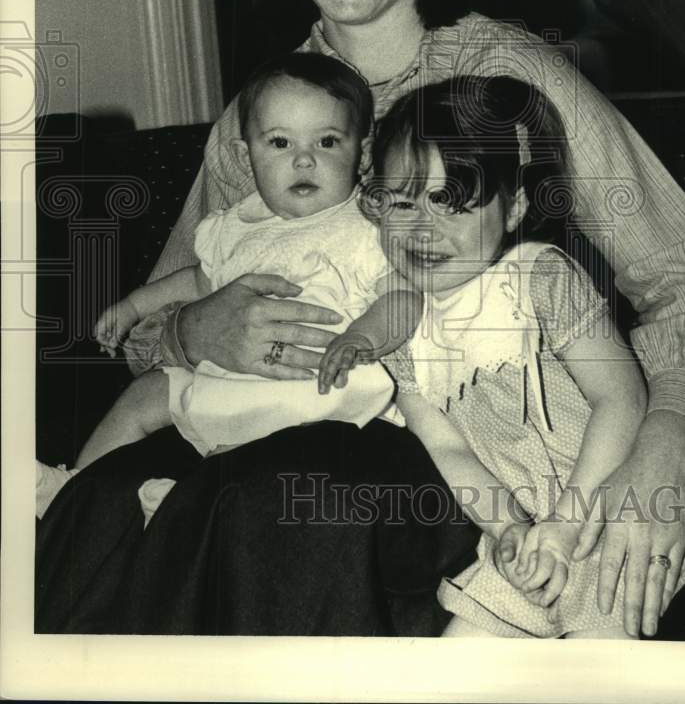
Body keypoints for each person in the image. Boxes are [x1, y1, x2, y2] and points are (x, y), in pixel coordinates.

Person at [35, 0, 685, 638]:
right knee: (100, 503)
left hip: (451, 453)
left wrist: (663, 448)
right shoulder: (263, 114)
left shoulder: (511, 78)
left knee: (282, 502)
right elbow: (145, 333)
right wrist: (190, 330)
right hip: (256, 423)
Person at [339, 74, 685, 639]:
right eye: (401, 200)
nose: (422, 228)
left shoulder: (538, 278)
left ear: (514, 208)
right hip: (533, 533)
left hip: (613, 501)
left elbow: (620, 398)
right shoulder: (400, 335)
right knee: (447, 664)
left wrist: (567, 523)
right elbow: (447, 447)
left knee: (600, 652)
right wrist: (507, 528)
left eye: (451, 203)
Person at [36, 54, 422, 516]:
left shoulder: (365, 224)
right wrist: (134, 306)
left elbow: (403, 297)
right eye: (279, 142)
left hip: (314, 385)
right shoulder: (232, 227)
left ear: (363, 151)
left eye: (327, 141)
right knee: (145, 395)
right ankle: (73, 489)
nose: (303, 159)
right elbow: (196, 281)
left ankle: (183, 505)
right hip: (228, 378)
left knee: (269, 456)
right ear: (245, 156)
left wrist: (362, 338)